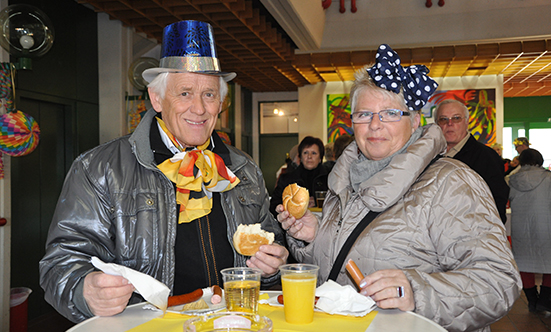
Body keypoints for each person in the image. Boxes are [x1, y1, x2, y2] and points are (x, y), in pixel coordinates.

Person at [39, 20, 288, 323]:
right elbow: (60, 263)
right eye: (184, 93)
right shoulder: (99, 169)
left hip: (234, 323)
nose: (198, 108)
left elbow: (271, 243)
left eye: (209, 94)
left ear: (220, 103)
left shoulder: (243, 169)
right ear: (157, 99)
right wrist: (83, 289)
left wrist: (273, 265)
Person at [276, 44, 520, 332]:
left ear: (415, 121)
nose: (375, 125)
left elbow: (499, 281)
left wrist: (416, 291)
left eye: (390, 113)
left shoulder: (451, 183)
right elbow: (341, 267)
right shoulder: (343, 182)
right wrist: (313, 236)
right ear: (352, 123)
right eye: (364, 114)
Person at [434, 99, 509, 224]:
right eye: (443, 119)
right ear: (437, 124)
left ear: (466, 122)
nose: (450, 124)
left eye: (456, 118)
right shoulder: (429, 157)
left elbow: (497, 204)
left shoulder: (487, 157)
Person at [509, 148, 551, 312]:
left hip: (520, 227)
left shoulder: (511, 179)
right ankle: (545, 299)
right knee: (549, 261)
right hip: (546, 226)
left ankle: (532, 301)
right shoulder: (548, 178)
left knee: (524, 263)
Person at [269, 136, 328, 217]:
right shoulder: (287, 179)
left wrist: (317, 202)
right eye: (305, 153)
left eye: (314, 153)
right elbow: (273, 206)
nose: (309, 156)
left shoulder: (329, 179)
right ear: (300, 157)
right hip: (293, 224)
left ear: (320, 158)